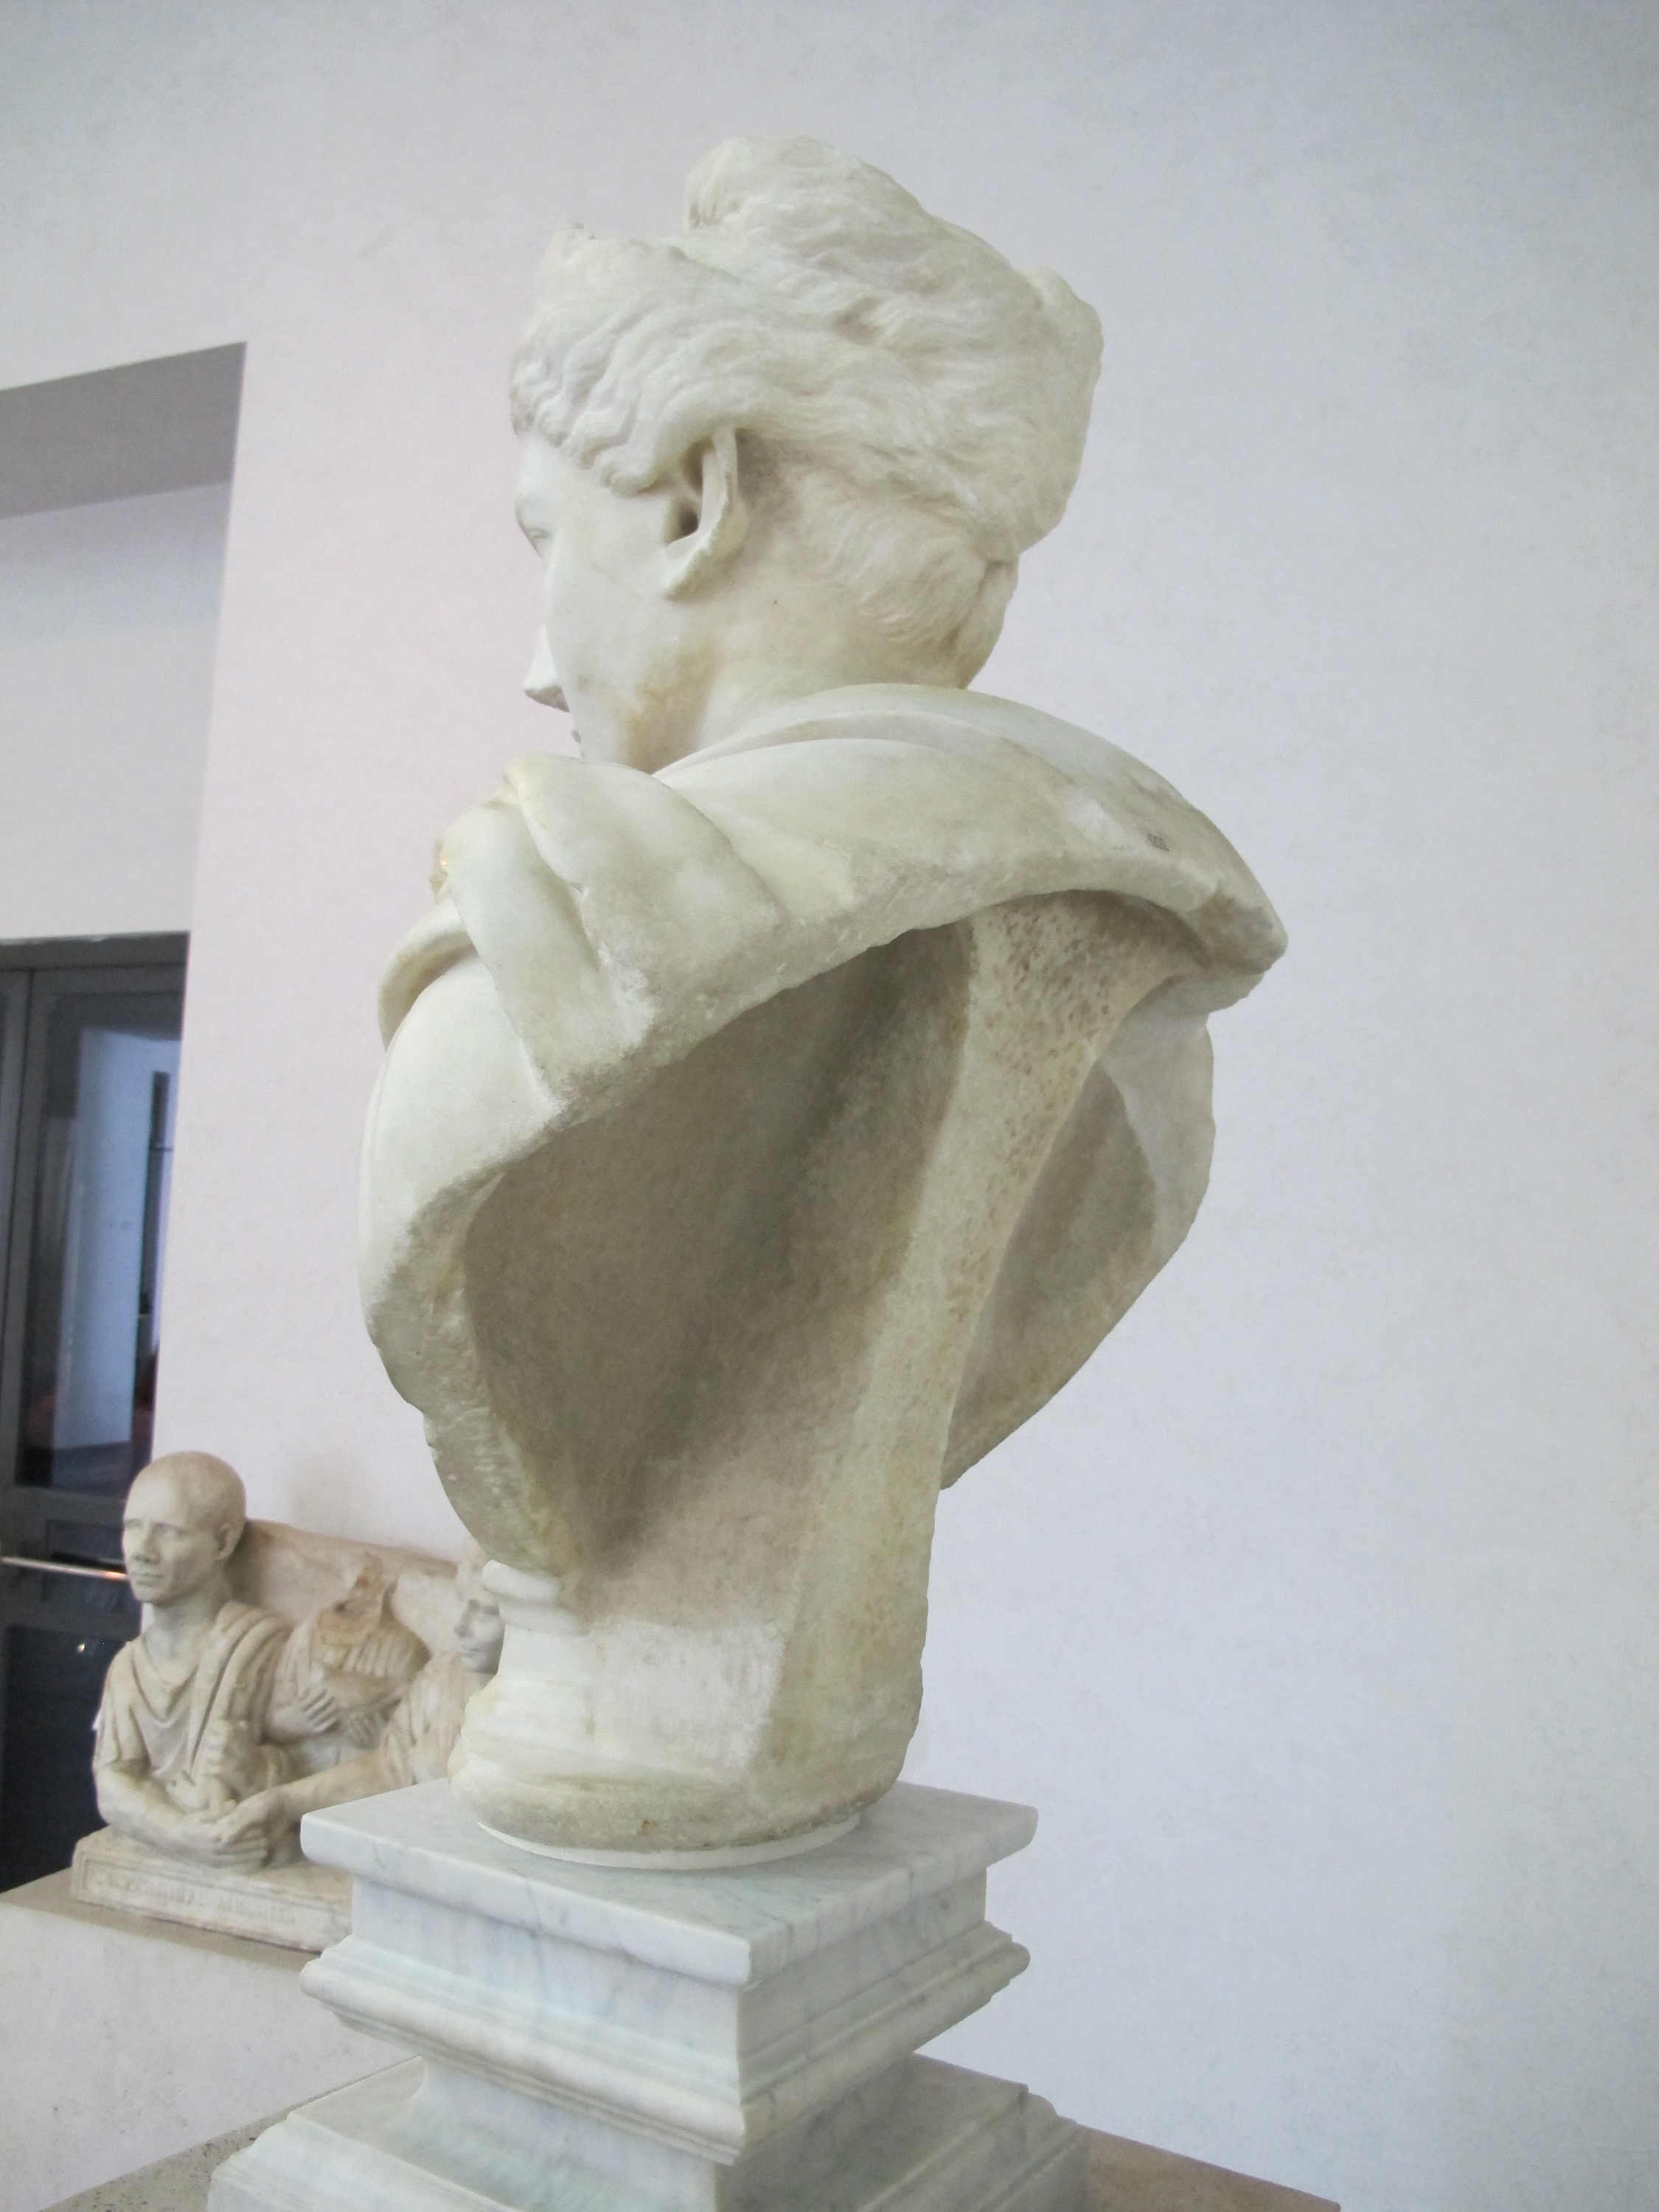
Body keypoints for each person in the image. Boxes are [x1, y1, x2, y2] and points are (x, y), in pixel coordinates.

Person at [358, 139, 1287, 1852]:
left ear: (697, 497)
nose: (538, 662)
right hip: (797, 1732)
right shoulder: (1130, 911)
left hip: (636, 1764)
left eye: (550, 537)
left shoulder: (565, 928)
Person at [212, 1543, 503, 1854]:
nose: (460, 1625)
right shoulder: (445, 1677)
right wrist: (284, 1801)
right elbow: (389, 1769)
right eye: (460, 1600)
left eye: (484, 1612)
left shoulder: (537, 1708)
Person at [93, 1453, 293, 1869]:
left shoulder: (264, 1649)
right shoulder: (129, 1666)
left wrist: (259, 1770)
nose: (142, 1551)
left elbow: (330, 1762)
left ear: (222, 1543)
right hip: (187, 1845)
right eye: (132, 1528)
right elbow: (112, 1782)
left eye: (168, 1532)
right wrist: (180, 1833)